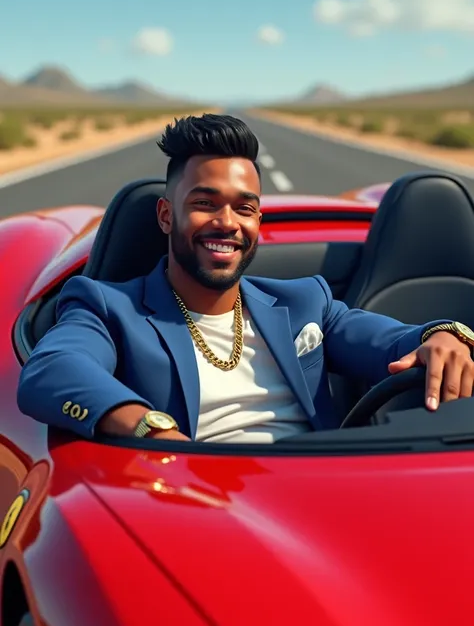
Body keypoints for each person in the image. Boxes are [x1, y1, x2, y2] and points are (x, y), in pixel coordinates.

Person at [17, 114, 474, 444]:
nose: (227, 222)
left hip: (321, 497)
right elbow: (51, 372)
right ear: (165, 215)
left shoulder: (306, 303)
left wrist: (442, 337)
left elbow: (395, 343)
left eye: (245, 207)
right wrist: (149, 428)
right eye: (205, 203)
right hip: (194, 505)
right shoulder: (107, 307)